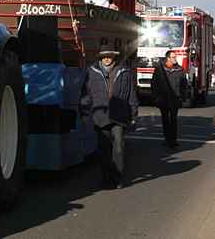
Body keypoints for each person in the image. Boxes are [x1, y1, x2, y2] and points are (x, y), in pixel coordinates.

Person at [81, 45, 138, 189]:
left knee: (118, 148)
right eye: (104, 56)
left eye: (109, 56)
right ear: (100, 58)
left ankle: (118, 178)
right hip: (100, 116)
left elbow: (131, 95)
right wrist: (84, 112)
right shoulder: (92, 72)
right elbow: (86, 95)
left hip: (119, 116)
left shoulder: (124, 72)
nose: (107, 59)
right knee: (104, 150)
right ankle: (106, 178)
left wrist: (133, 115)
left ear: (114, 57)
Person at [151, 51, 188, 148]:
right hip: (163, 99)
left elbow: (184, 84)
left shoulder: (179, 69)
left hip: (175, 99)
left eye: (175, 57)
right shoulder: (160, 70)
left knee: (173, 119)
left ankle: (173, 140)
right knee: (165, 119)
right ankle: (167, 139)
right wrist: (156, 97)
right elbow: (154, 84)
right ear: (168, 58)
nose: (175, 58)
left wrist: (183, 97)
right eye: (173, 57)